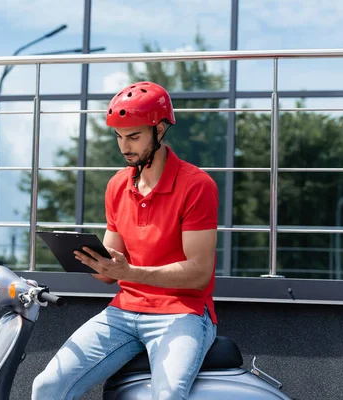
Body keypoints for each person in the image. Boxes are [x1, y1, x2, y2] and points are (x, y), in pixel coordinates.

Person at [32, 81, 219, 400]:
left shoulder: (196, 185)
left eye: (134, 136)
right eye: (119, 136)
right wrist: (88, 259)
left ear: (159, 130)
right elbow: (109, 272)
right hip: (123, 311)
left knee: (168, 394)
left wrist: (130, 273)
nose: (124, 147)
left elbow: (199, 272)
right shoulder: (117, 185)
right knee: (47, 386)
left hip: (182, 311)